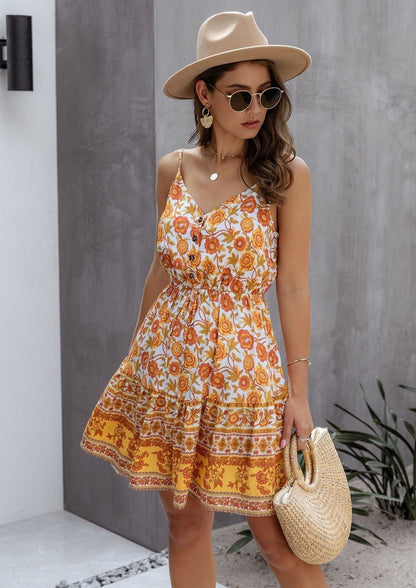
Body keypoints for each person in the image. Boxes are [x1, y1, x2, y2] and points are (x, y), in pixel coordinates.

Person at [81, 10, 329, 588]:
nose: (255, 109)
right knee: (186, 525)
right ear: (204, 95)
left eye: (266, 94)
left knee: (280, 542)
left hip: (245, 378)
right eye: (239, 95)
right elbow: (161, 270)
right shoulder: (173, 168)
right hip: (169, 368)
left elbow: (293, 284)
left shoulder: (286, 176)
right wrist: (137, 358)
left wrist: (298, 394)